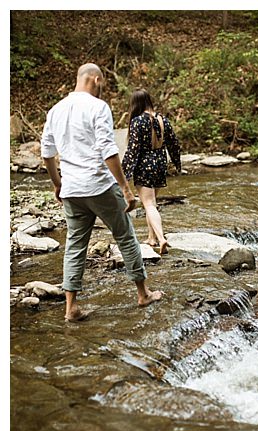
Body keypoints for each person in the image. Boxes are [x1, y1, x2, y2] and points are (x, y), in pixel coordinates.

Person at [41, 63, 164, 322]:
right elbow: (108, 150)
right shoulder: (98, 107)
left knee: (75, 245)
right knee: (126, 236)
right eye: (103, 83)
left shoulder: (55, 110)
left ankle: (70, 308)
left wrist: (57, 184)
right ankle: (143, 294)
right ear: (95, 79)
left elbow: (47, 154)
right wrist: (125, 188)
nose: (102, 88)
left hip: (72, 189)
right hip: (99, 185)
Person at [122, 89, 181, 255]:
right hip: (160, 163)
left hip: (144, 165)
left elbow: (133, 150)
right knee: (152, 203)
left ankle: (161, 238)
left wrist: (124, 174)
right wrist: (177, 163)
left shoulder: (138, 121)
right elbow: (174, 144)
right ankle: (151, 238)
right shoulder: (163, 120)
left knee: (148, 204)